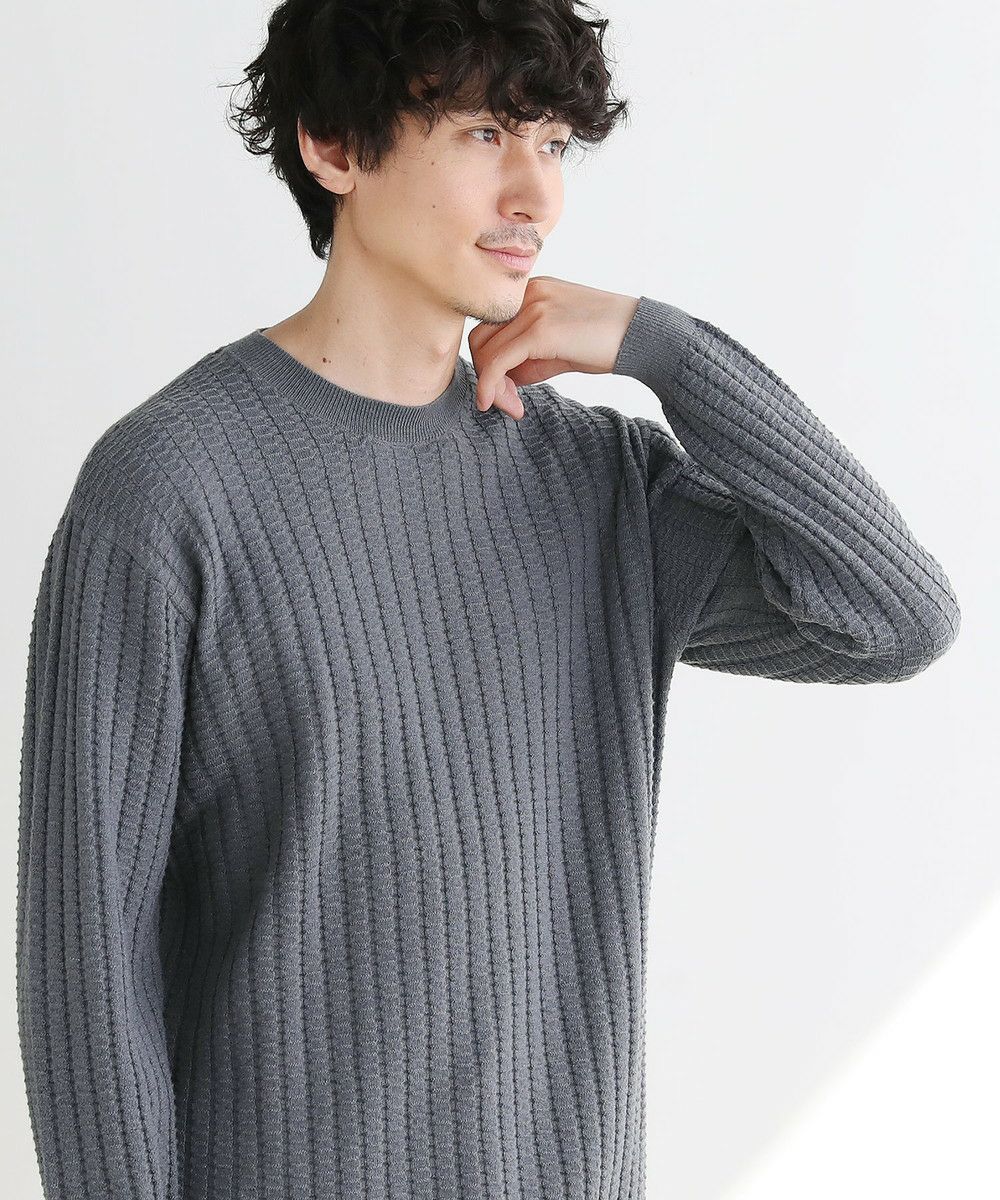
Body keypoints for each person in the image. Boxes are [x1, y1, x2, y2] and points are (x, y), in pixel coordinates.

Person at [15, 1, 961, 1197]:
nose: (535, 195)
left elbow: (892, 618)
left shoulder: (595, 484)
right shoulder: (170, 489)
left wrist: (665, 350)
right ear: (333, 144)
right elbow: (86, 967)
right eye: (482, 133)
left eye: (552, 142)